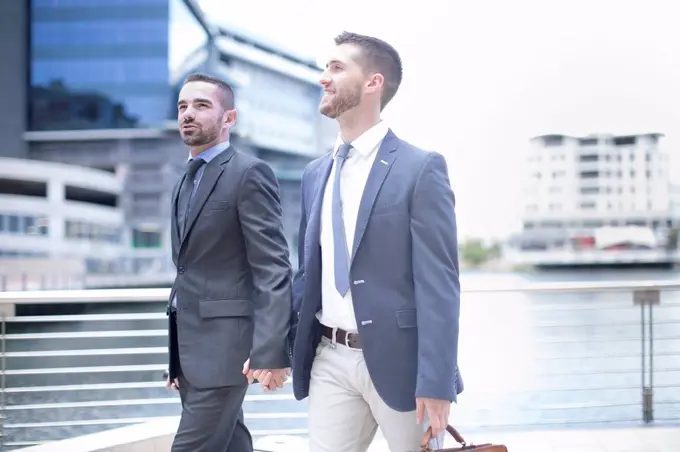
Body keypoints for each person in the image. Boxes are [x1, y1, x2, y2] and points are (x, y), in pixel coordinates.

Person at [290, 32, 464, 451]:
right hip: (329, 358)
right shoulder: (316, 174)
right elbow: (306, 276)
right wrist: (273, 349)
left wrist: (437, 382)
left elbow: (440, 285)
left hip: (402, 366)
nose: (322, 78)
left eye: (335, 68)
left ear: (373, 83)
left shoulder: (420, 168)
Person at [165, 73, 292, 452]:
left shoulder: (248, 173)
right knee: (232, 444)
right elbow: (189, 271)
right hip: (191, 352)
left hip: (226, 356)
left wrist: (270, 352)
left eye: (202, 105)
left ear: (229, 119)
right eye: (183, 106)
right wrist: (176, 358)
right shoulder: (184, 179)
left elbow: (272, 267)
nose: (188, 114)